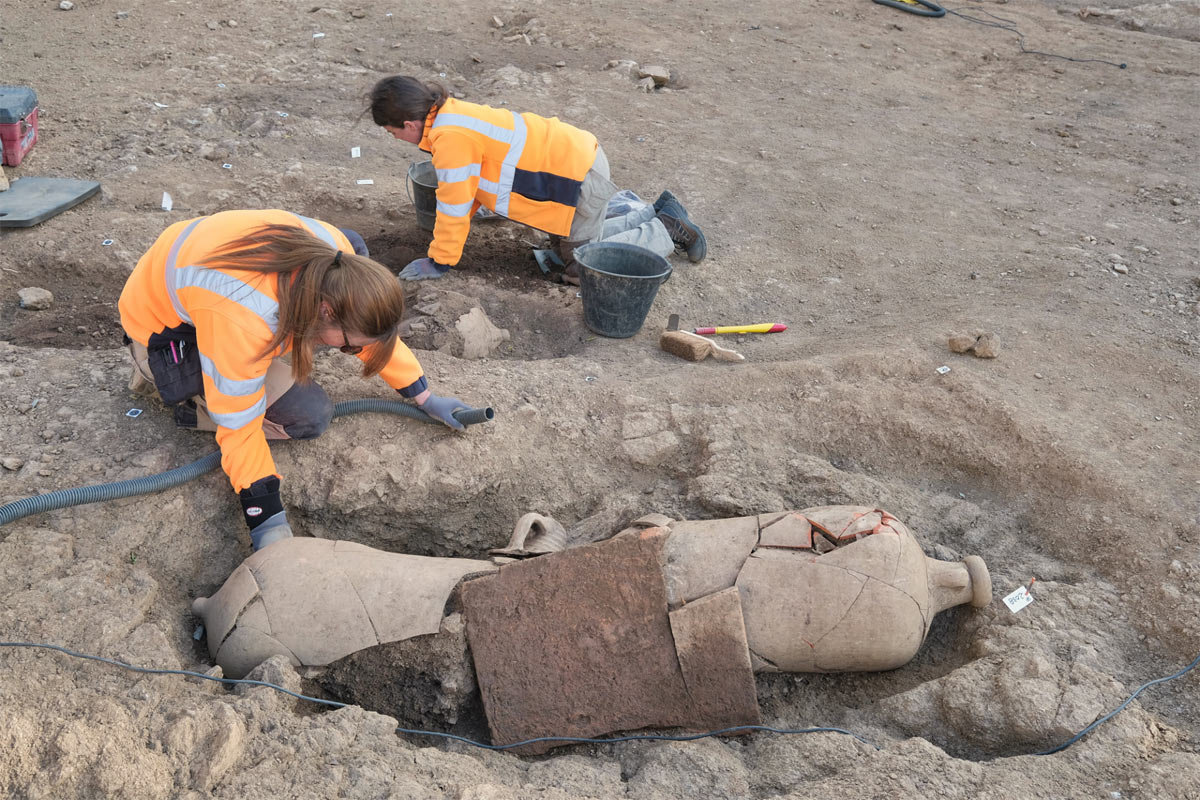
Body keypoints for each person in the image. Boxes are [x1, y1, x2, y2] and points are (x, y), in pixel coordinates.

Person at [118, 209, 468, 551]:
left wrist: (422, 394)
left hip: (194, 280)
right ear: (327, 310)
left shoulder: (338, 257)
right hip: (163, 332)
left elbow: (368, 330)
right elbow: (240, 425)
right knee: (308, 415)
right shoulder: (243, 315)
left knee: (286, 359)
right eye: (347, 346)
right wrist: (266, 521)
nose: (350, 351)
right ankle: (182, 396)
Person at [368, 75, 708, 285]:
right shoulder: (450, 114)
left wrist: (439, 260)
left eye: (391, 131)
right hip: (571, 163)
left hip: (577, 178)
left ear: (409, 124)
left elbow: (454, 201)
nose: (394, 137)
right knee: (566, 250)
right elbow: (469, 188)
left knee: (583, 268)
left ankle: (666, 228)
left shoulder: (449, 137)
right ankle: (655, 213)